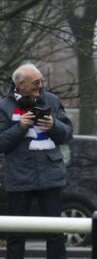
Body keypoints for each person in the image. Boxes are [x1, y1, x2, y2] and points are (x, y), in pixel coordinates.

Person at [0, 63, 74, 259]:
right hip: (19, 177)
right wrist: (20, 127)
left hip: (51, 175)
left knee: (55, 231)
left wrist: (53, 125)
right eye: (35, 82)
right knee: (15, 233)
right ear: (20, 84)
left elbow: (67, 134)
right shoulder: (4, 107)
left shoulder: (52, 101)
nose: (40, 86)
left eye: (41, 81)